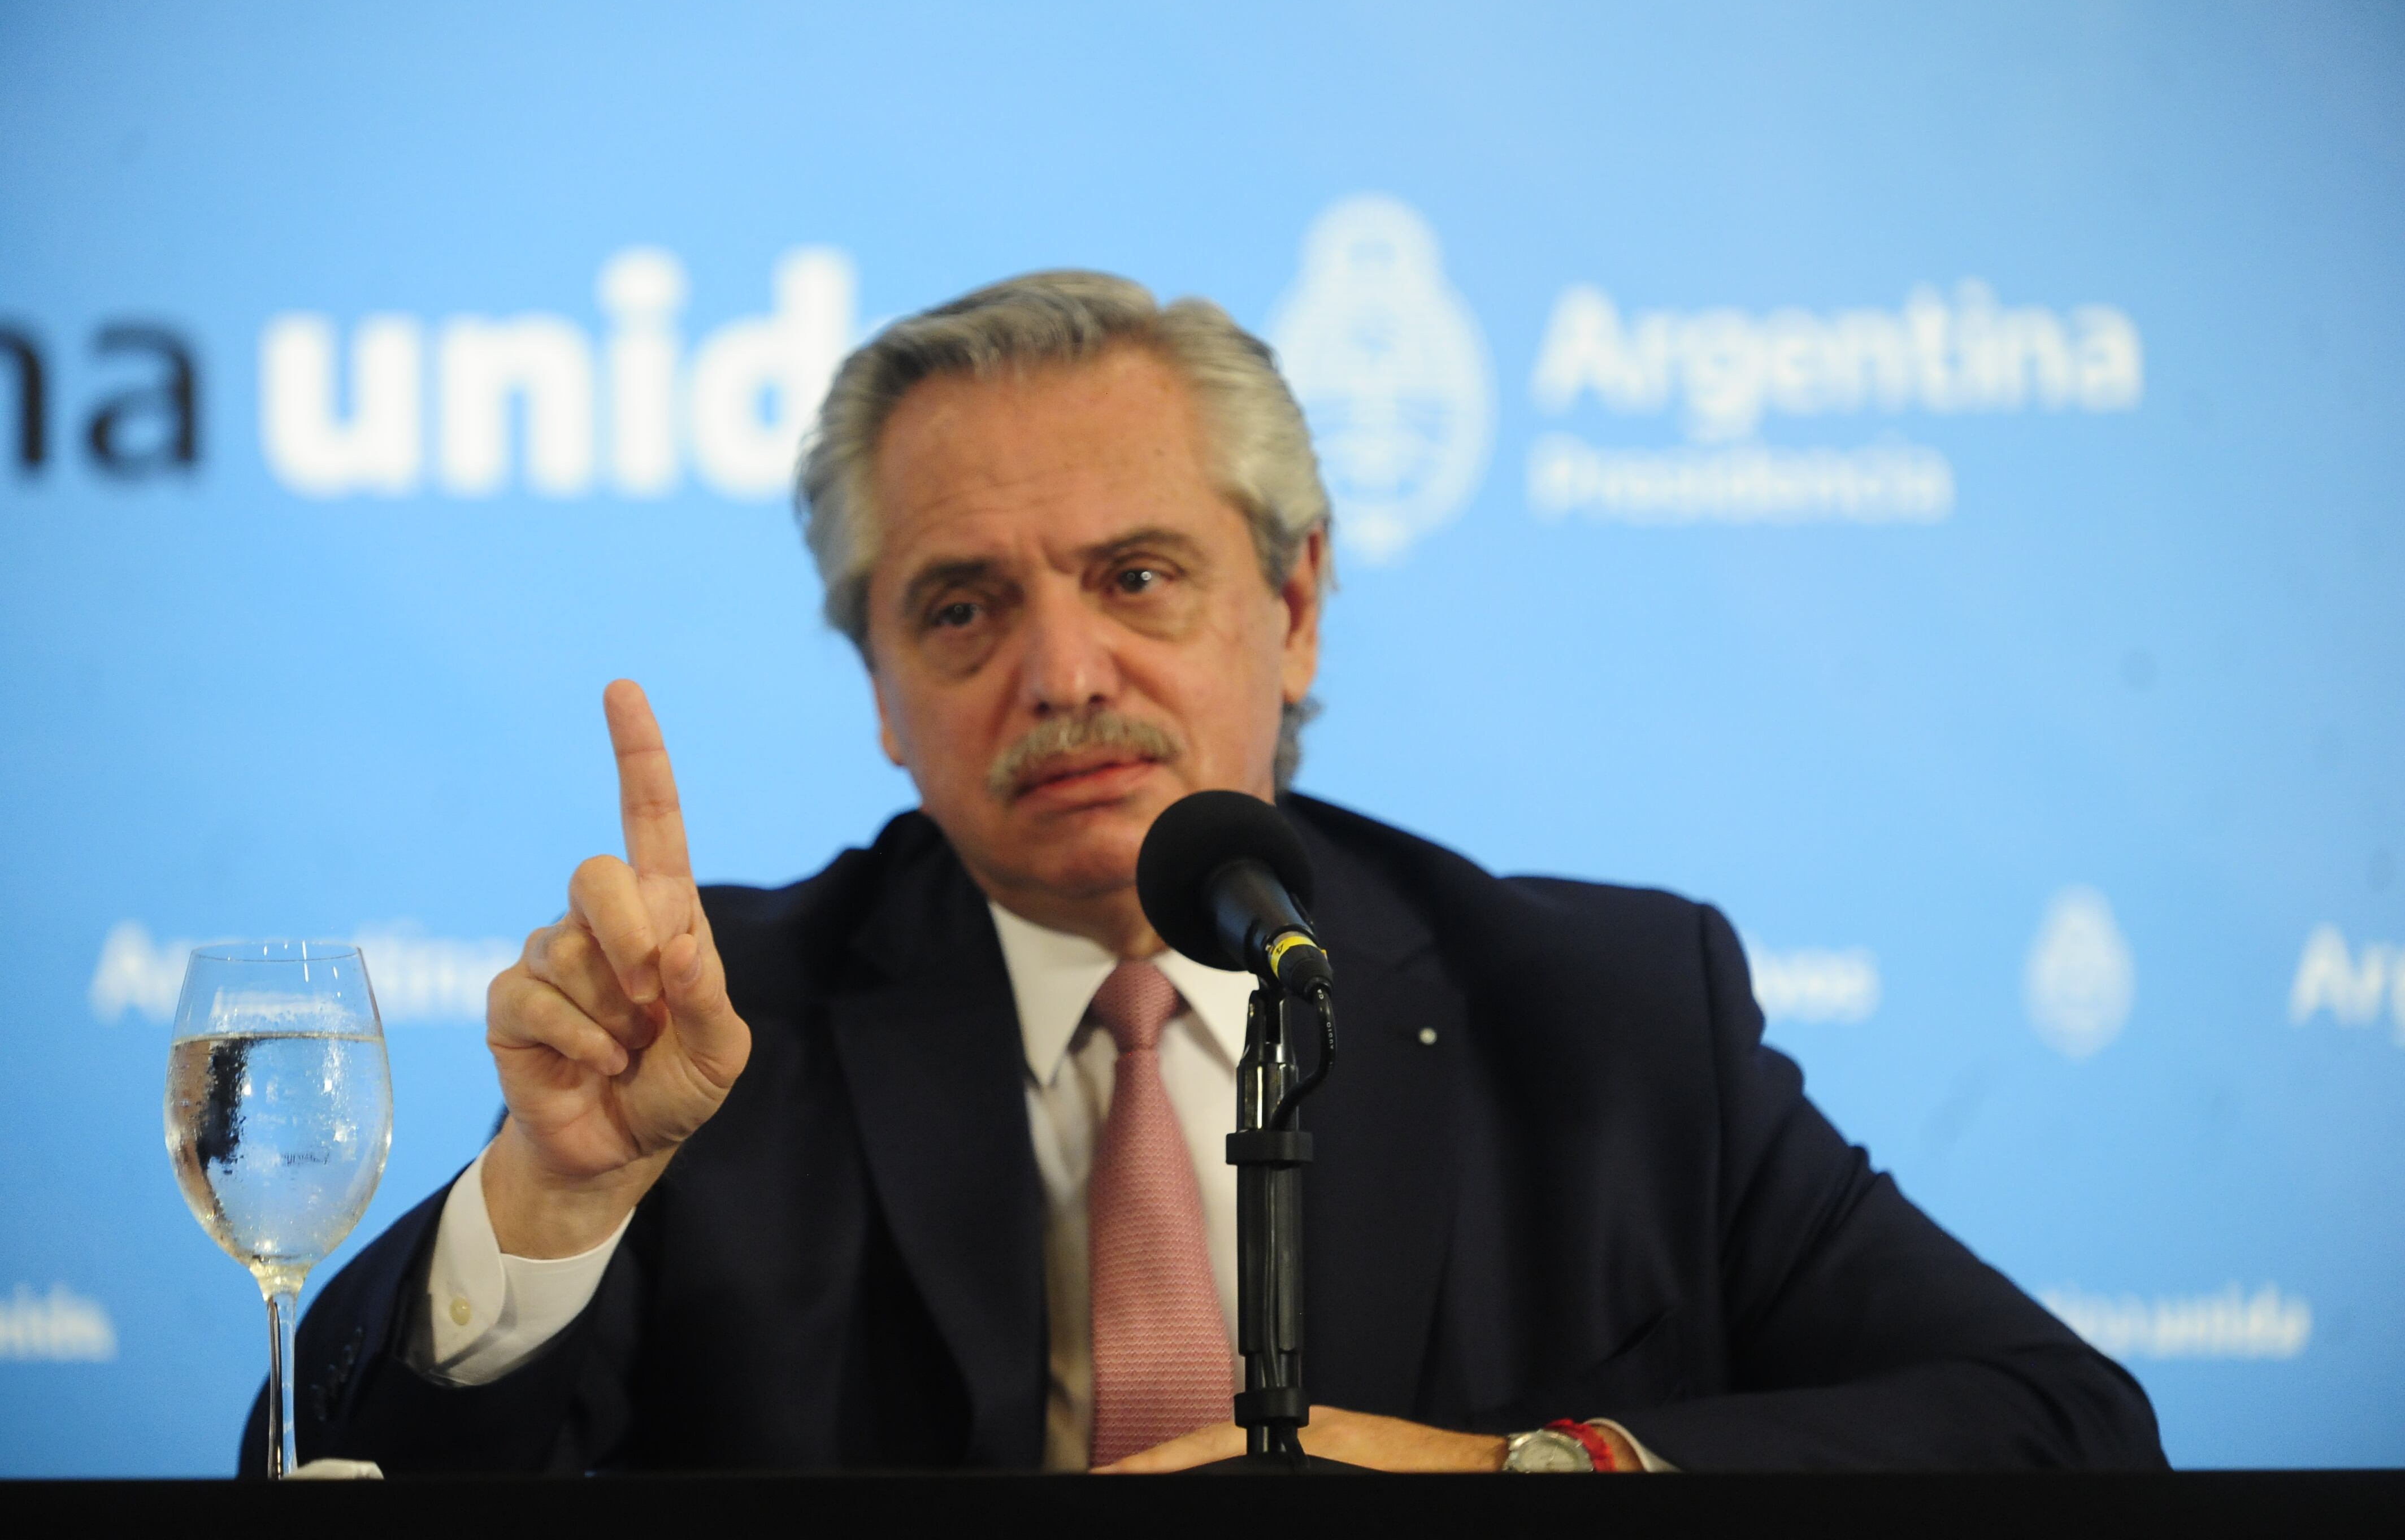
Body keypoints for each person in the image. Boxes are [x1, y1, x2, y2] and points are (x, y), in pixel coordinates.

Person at [254, 273, 2166, 1474]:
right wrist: (551, 1207)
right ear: (881, 695)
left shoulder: (1609, 1016)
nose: (1065, 671)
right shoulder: (706, 1039)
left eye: (1139, 576)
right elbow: (333, 1480)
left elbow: (2067, 1431)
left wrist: (1520, 1478)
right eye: (962, 607)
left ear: (1299, 604)